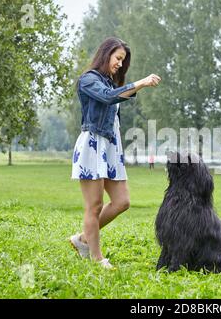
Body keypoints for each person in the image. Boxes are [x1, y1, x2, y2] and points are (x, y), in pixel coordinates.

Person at [69, 37, 161, 268]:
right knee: (95, 206)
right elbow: (109, 98)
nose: (120, 64)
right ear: (106, 54)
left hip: (109, 147)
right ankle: (96, 257)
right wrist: (141, 82)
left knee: (122, 201)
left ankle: (82, 239)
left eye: (123, 60)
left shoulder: (110, 83)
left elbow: (116, 97)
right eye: (118, 58)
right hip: (93, 146)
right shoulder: (89, 79)